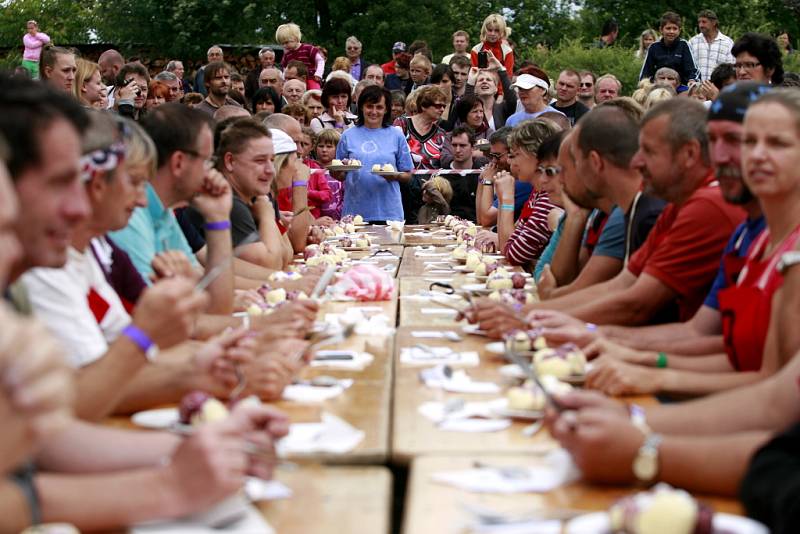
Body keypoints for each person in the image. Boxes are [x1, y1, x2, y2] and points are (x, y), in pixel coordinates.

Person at [547, 89, 800, 500]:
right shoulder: (755, 239)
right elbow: (751, 371)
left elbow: (772, 401)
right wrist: (631, 390)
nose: (733, 156)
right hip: (741, 443)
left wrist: (642, 435)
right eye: (747, 141)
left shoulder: (723, 214)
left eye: (775, 143)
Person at [472, 98, 747, 335]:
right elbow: (621, 285)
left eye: (648, 152)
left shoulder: (695, 206)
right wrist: (531, 311)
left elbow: (635, 305)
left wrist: (527, 315)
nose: (637, 162)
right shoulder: (667, 204)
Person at [108, 104, 234, 313]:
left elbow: (215, 302)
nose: (210, 171)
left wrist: (218, 216)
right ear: (178, 163)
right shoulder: (131, 215)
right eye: (207, 160)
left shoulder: (163, 210)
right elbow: (161, 322)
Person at [538, 105, 665, 301]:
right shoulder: (604, 212)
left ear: (595, 162)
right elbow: (569, 280)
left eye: (562, 169)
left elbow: (630, 305)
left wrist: (542, 303)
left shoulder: (643, 211)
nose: (560, 180)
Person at [335, 85, 413, 222]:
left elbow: (407, 174)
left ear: (386, 109)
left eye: (379, 107)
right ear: (361, 108)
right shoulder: (347, 135)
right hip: (355, 213)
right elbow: (339, 172)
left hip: (389, 212)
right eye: (369, 106)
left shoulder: (396, 135)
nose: (374, 111)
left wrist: (394, 176)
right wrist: (335, 172)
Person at [490, 119, 561, 266]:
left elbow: (512, 254)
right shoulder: (538, 193)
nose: (511, 163)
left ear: (536, 155)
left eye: (515, 155)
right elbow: (512, 241)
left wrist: (507, 199)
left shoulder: (548, 197)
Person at [640, 11, 700, 85]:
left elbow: (692, 70)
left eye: (675, 29)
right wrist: (644, 84)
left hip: (680, 87)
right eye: (668, 28)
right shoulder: (654, 47)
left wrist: (692, 80)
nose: (671, 31)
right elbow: (645, 72)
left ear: (679, 31)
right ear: (661, 30)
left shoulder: (684, 45)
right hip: (657, 87)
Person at [440, 126, 486, 222]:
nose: (457, 150)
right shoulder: (441, 175)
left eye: (462, 145)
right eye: (454, 145)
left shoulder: (483, 175)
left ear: (473, 147)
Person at [464, 54, 516, 129]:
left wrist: (501, 70)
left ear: (496, 88)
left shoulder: (502, 108)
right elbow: (465, 104)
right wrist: (470, 81)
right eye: (481, 80)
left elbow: (512, 100)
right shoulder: (471, 109)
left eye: (489, 80)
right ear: (475, 88)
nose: (484, 82)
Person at [688, 9, 735, 82]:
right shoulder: (692, 42)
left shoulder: (728, 43)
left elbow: (731, 68)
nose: (700, 25)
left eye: (704, 22)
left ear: (714, 22)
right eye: (699, 22)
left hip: (719, 88)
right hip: (697, 89)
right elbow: (688, 67)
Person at [276, 23, 325, 90]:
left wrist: (318, 73)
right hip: (294, 81)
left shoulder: (308, 49)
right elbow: (285, 68)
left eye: (287, 42)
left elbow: (320, 61)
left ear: (296, 38)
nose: (285, 46)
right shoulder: (287, 55)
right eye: (282, 43)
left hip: (311, 78)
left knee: (314, 92)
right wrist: (284, 79)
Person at [314, 128, 344, 219]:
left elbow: (346, 197)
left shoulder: (342, 170)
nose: (324, 150)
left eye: (329, 146)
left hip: (338, 219)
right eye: (321, 146)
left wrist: (336, 215)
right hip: (316, 219)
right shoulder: (310, 169)